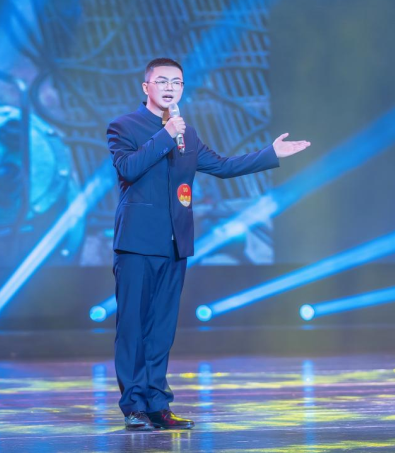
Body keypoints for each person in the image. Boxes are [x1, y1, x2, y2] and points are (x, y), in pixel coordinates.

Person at [106, 57, 310, 431]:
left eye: (177, 82)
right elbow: (128, 168)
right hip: (137, 243)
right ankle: (133, 405)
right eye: (162, 81)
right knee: (133, 327)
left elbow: (224, 166)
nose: (170, 88)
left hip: (175, 243)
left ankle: (158, 405)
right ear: (146, 87)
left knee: (161, 329)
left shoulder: (188, 135)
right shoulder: (124, 126)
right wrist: (166, 134)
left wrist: (270, 154)